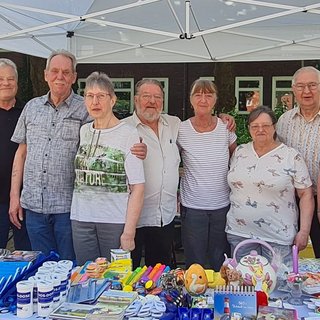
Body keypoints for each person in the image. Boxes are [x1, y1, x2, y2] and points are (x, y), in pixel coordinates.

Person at [9, 50, 90, 260]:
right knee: (41, 268)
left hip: (68, 208)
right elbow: (21, 153)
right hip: (33, 206)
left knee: (69, 267)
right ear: (46, 74)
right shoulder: (31, 107)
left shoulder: (86, 109)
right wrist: (14, 197)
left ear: (74, 77)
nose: (59, 77)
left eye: (66, 72)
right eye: (54, 71)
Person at [70, 72, 145, 264]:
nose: (95, 101)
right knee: (86, 276)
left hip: (114, 221)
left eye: (101, 96)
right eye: (89, 96)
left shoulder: (128, 133)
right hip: (81, 219)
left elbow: (138, 187)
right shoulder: (84, 130)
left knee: (114, 281)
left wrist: (129, 231)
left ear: (112, 100)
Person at [226, 106, 314, 266]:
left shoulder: (291, 156)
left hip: (278, 237)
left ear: (274, 127)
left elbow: (306, 195)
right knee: (244, 286)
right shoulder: (239, 152)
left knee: (278, 286)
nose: (260, 130)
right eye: (255, 126)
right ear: (249, 129)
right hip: (239, 233)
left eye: (266, 125)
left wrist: (304, 231)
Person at [177, 79, 237, 271]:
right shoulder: (181, 129)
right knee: (195, 265)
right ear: (191, 99)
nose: (203, 99)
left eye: (209, 95)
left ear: (215, 100)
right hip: (192, 208)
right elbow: (170, 161)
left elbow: (237, 161)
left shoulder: (225, 128)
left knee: (221, 262)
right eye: (198, 94)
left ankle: (220, 300)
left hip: (222, 207)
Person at [124, 79, 181, 268]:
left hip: (164, 216)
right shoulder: (123, 129)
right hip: (132, 219)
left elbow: (201, 124)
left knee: (158, 275)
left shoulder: (174, 124)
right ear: (136, 99)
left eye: (157, 97)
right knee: (127, 272)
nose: (152, 101)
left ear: (163, 102)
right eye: (146, 96)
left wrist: (223, 116)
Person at [277, 66, 320, 258]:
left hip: (319, 197)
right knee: (288, 254)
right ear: (293, 90)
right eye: (301, 86)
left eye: (312, 85)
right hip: (291, 200)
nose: (307, 91)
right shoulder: (284, 121)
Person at [0, 58, 31, 250]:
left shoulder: (29, 112)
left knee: (26, 254)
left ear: (17, 83)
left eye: (10, 78)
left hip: (24, 199)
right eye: (1, 78)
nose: (5, 83)